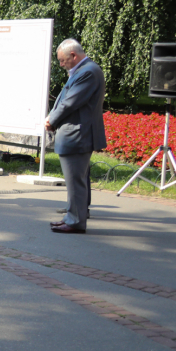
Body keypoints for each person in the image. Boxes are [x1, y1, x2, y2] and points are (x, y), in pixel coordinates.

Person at [45, 39, 106, 234]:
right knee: (77, 179)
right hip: (77, 134)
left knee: (75, 181)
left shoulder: (87, 71)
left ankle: (75, 221)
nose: (62, 65)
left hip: (77, 135)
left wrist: (51, 120)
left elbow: (70, 102)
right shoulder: (84, 70)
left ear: (73, 55)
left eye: (63, 61)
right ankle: (73, 216)